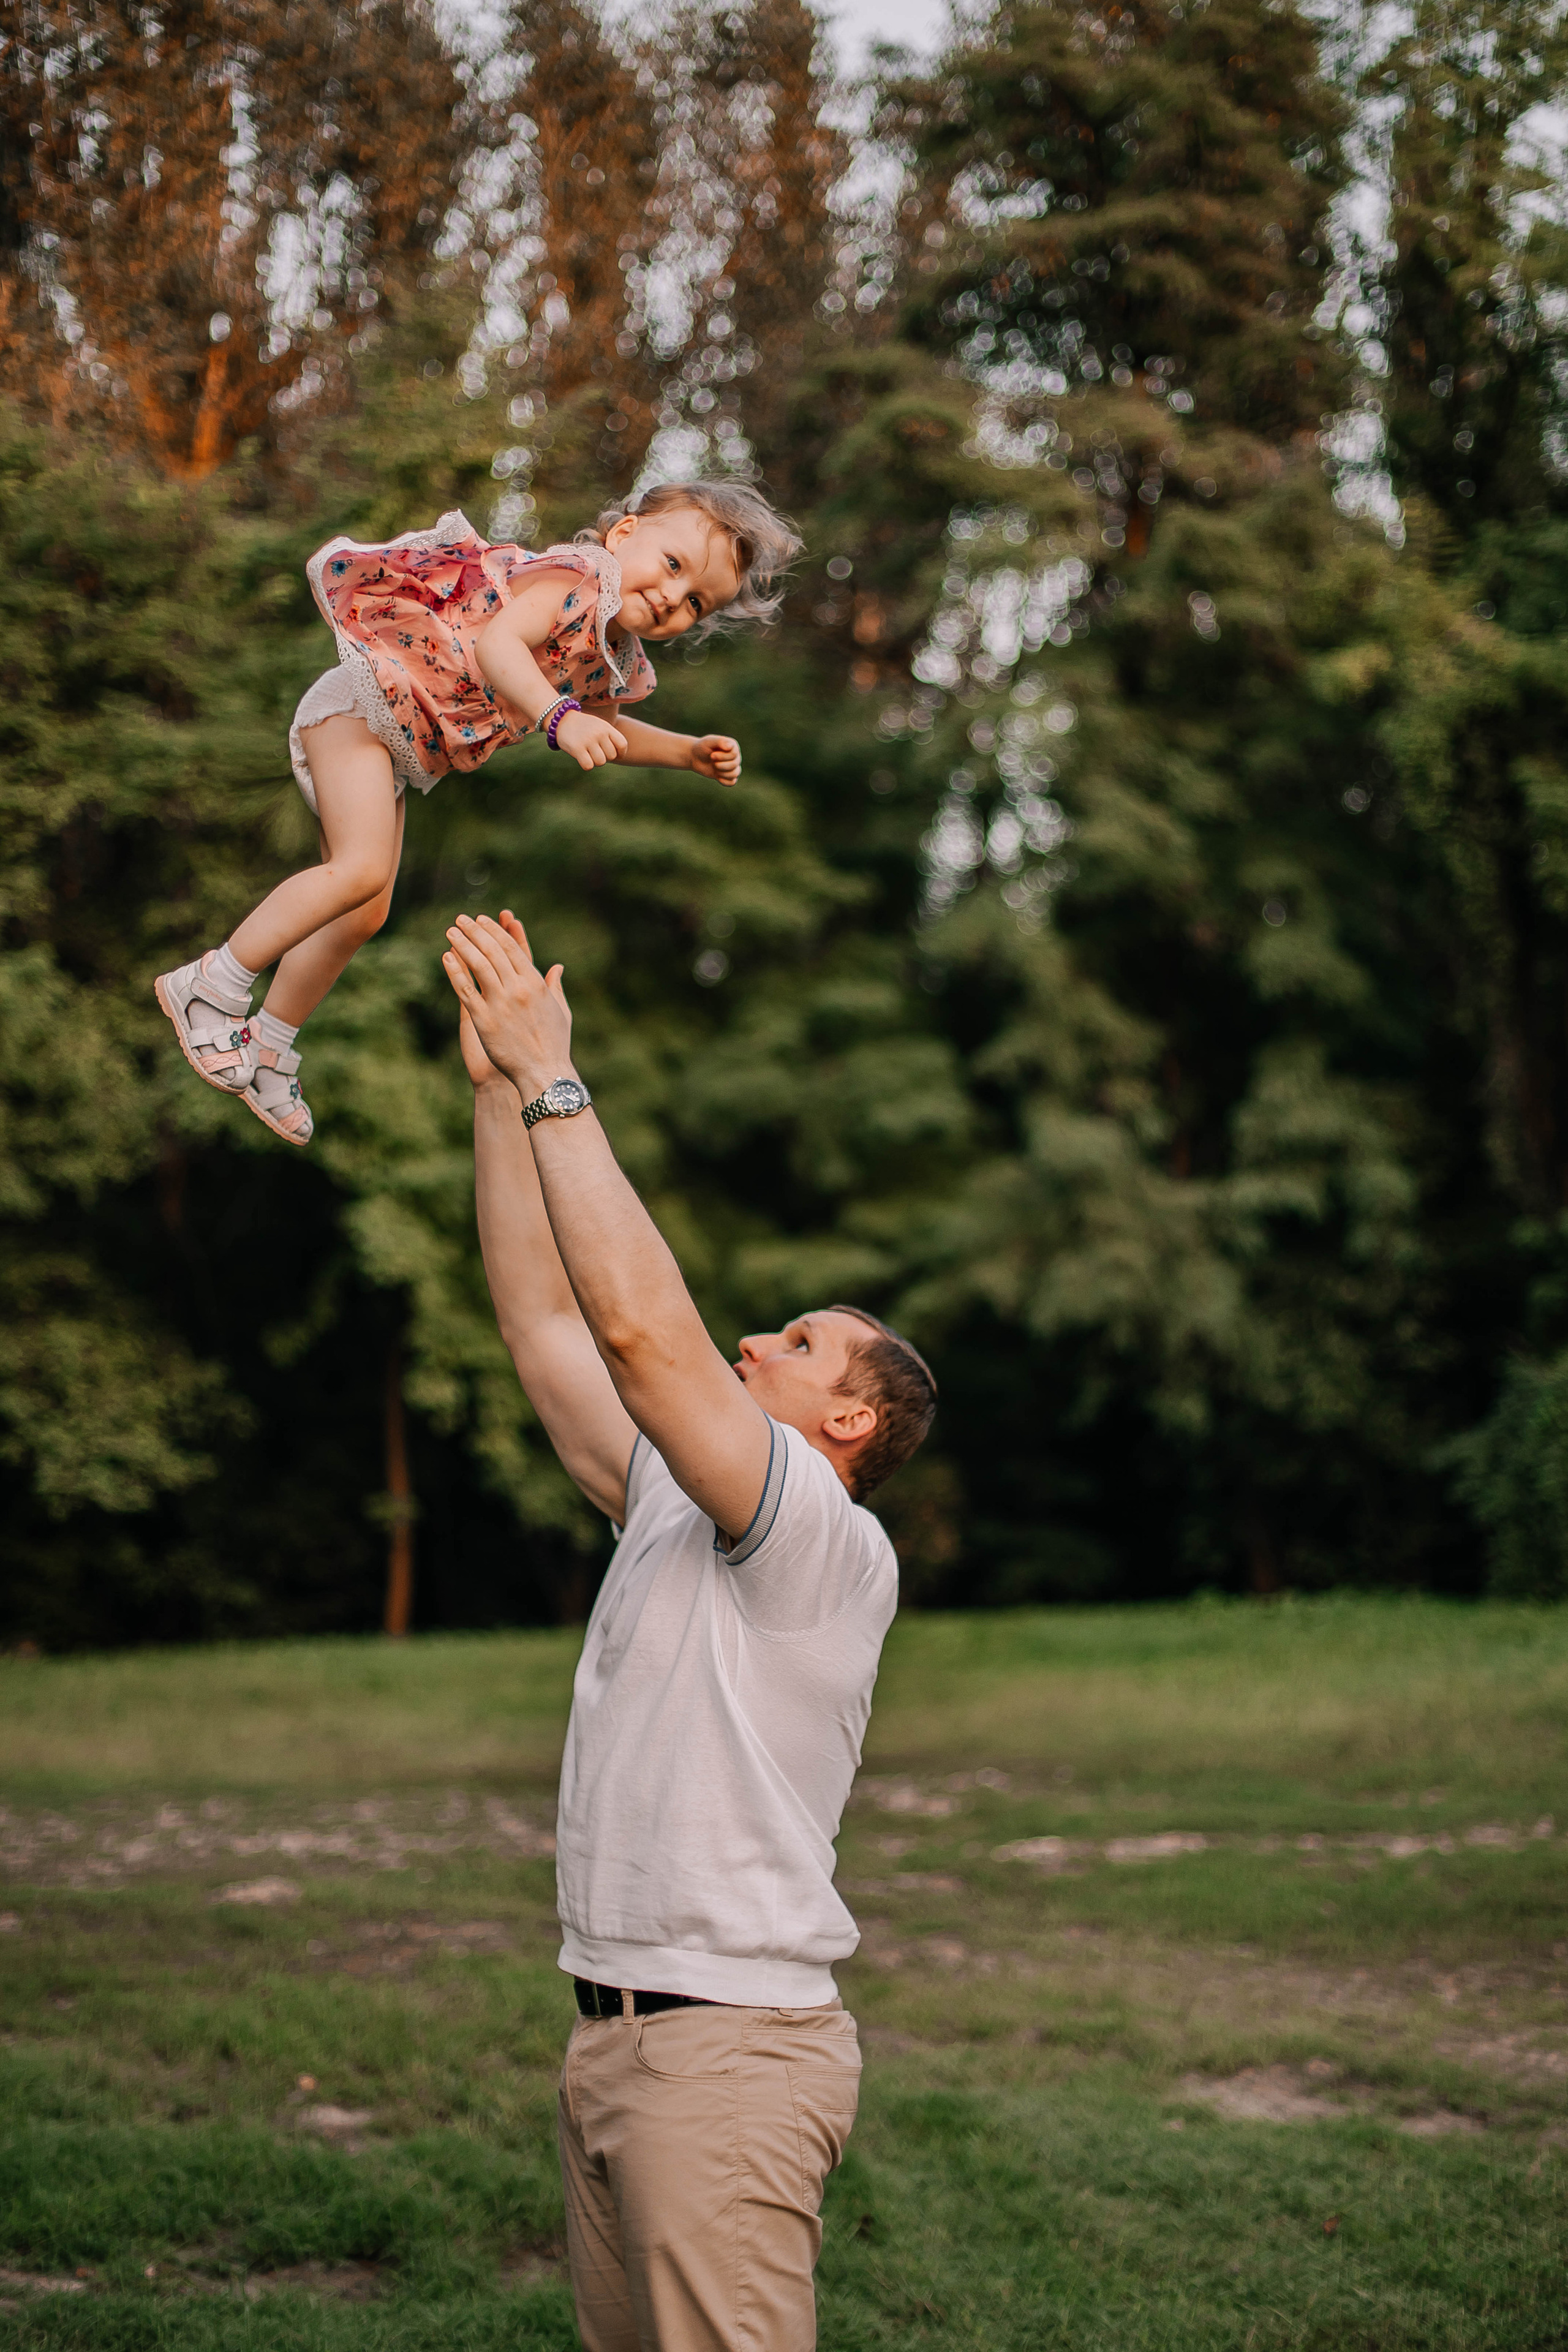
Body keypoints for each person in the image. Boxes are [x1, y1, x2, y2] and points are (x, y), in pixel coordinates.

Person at [442, 908, 937, 2352]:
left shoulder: (815, 1532)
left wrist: (557, 1081)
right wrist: (494, 1097)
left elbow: (649, 1334)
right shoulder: (676, 1493)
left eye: (790, 1343)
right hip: (615, 2042)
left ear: (847, 1418)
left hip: (726, 2056)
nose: (748, 1342)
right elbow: (547, 1323)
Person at [153, 481, 800, 1147]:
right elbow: (499, 647)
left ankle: (267, 1042)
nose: (673, 597)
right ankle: (213, 984)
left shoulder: (613, 658)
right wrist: (558, 718)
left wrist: (686, 752)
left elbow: (610, 732)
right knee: (360, 868)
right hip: (362, 704)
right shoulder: (575, 580)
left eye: (696, 601)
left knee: (363, 909)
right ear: (625, 535)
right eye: (673, 567)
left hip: (399, 750)